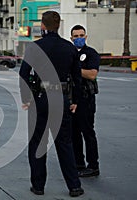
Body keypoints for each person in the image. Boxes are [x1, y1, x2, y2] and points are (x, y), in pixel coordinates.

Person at [19, 11, 84, 197]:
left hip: (40, 98)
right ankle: (74, 186)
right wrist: (74, 101)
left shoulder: (34, 47)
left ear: (43, 26)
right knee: (65, 143)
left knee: (38, 142)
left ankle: (38, 186)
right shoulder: (69, 47)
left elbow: (24, 74)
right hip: (60, 98)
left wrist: (26, 98)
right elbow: (77, 78)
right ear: (58, 26)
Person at [70, 25, 100, 177]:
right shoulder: (70, 53)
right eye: (76, 36)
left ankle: (93, 165)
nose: (79, 38)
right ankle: (79, 163)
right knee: (74, 133)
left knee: (87, 132)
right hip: (72, 98)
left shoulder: (91, 53)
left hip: (86, 98)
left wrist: (75, 69)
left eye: (81, 35)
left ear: (86, 37)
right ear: (71, 38)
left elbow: (92, 74)